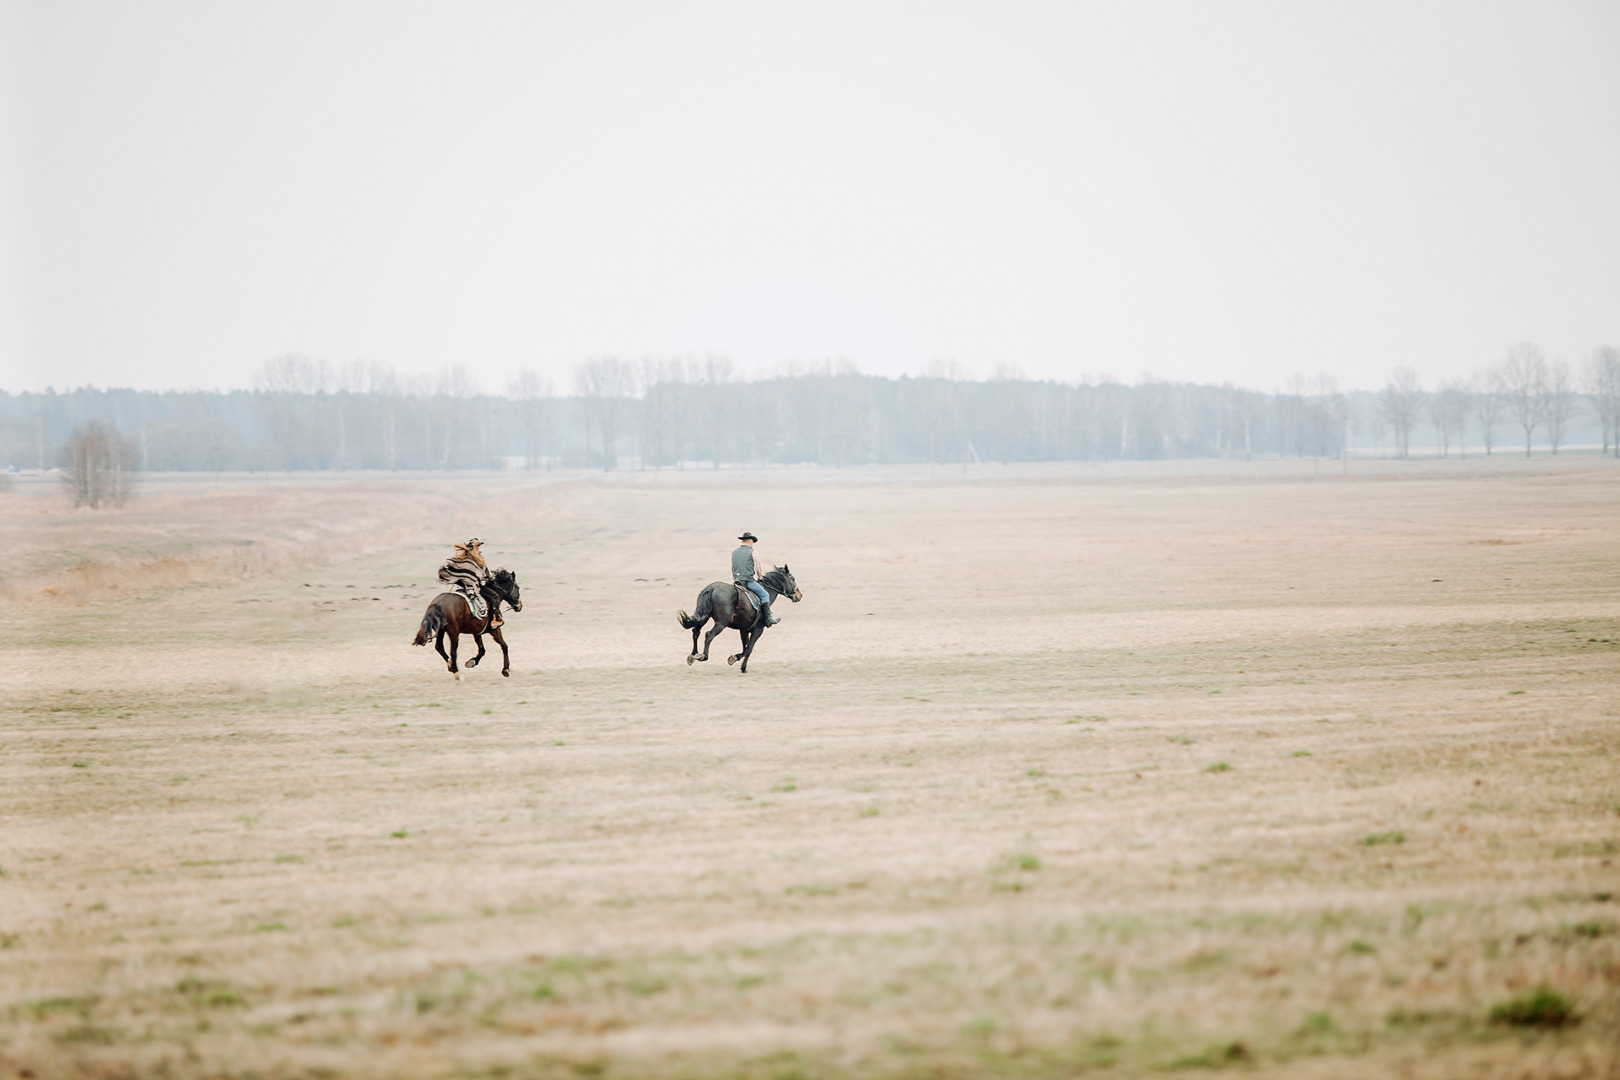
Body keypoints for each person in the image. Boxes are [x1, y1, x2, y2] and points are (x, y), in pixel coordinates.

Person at [439, 537, 502, 628]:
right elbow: (486, 575)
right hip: (474, 587)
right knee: (495, 596)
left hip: (462, 586)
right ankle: (495, 619)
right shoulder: (479, 560)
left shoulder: (461, 559)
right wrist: (491, 578)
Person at [732, 532, 778, 626]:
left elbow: (733, 566)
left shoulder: (734, 552)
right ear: (750, 541)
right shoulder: (752, 552)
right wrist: (760, 578)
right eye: (752, 542)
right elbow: (758, 567)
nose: (752, 544)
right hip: (747, 580)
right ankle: (768, 618)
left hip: (737, 581)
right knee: (765, 595)